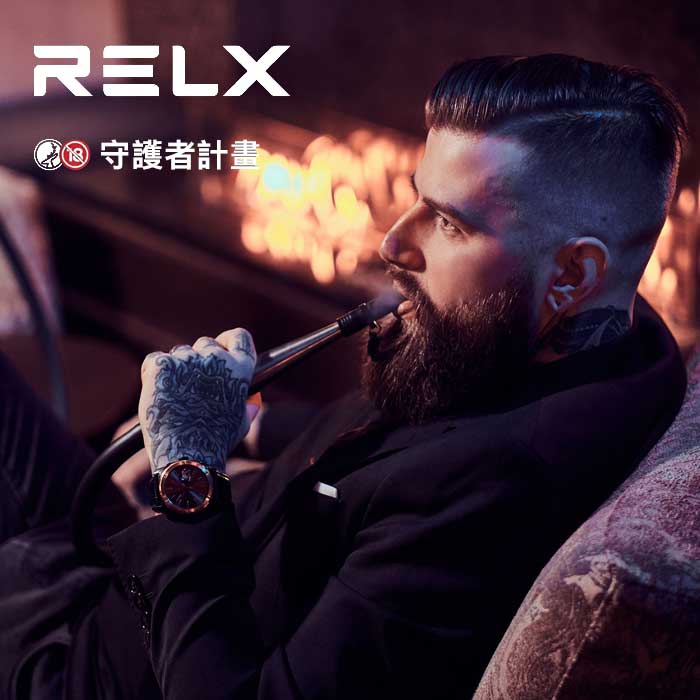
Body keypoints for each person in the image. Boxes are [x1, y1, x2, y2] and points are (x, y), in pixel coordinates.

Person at [0, 54, 690, 699]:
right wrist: (255, 427)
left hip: (87, 665)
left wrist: (187, 476)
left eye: (449, 223)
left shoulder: (489, 496)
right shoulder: (621, 346)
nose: (392, 242)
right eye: (417, 198)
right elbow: (387, 451)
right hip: (118, 572)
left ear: (573, 272)